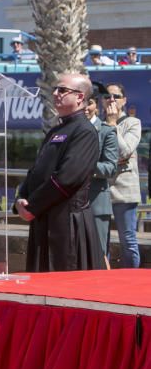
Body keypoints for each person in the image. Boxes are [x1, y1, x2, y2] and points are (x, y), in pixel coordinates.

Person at [15, 74, 103, 271]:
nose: (55, 93)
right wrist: (22, 198)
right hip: (44, 218)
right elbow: (37, 170)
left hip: (67, 224)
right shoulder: (55, 131)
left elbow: (67, 178)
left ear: (80, 97)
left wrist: (33, 206)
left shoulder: (85, 132)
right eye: (55, 89)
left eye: (62, 90)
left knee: (63, 285)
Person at [104, 82, 143, 267]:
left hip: (125, 192)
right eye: (107, 96)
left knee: (128, 241)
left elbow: (124, 151)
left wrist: (113, 124)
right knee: (101, 242)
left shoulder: (133, 123)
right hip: (101, 191)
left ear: (124, 100)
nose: (111, 99)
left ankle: (131, 282)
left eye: (116, 96)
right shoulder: (97, 124)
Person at [84, 89, 119, 261]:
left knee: (99, 254)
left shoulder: (106, 131)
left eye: (89, 103)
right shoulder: (69, 130)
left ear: (96, 106)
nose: (85, 108)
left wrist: (85, 165)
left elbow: (110, 168)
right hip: (72, 205)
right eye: (82, 103)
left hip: (96, 203)